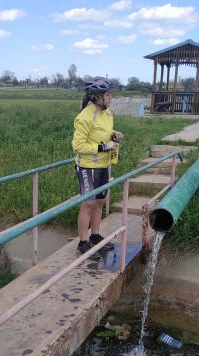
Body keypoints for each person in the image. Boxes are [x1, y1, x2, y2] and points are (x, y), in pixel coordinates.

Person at [72, 77, 124, 259]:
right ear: (96, 97)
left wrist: (114, 135)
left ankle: (95, 236)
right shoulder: (84, 117)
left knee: (100, 202)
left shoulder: (107, 113)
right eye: (108, 95)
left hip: (104, 165)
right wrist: (102, 147)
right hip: (88, 167)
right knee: (87, 204)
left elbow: (103, 131)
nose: (111, 98)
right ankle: (82, 243)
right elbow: (78, 146)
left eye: (110, 94)